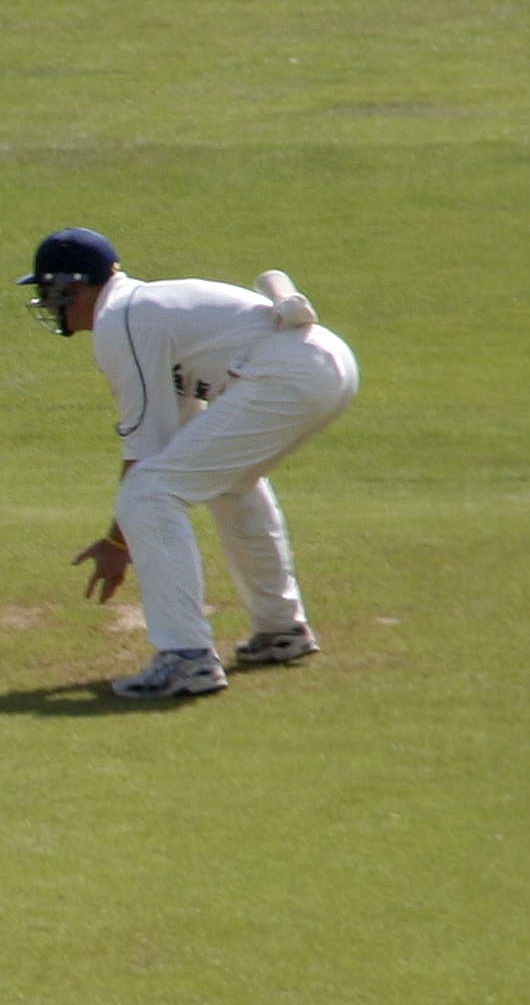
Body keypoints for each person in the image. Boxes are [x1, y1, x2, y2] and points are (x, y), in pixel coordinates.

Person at [21, 227, 360, 701]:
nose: (44, 302)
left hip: (287, 375)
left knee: (149, 492)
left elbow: (146, 454)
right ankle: (280, 630)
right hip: (327, 364)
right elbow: (178, 435)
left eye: (47, 290)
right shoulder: (143, 310)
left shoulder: (121, 321)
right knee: (228, 484)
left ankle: (186, 659)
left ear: (72, 289)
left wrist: (118, 541)